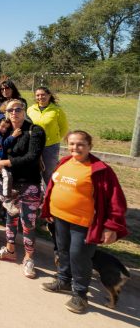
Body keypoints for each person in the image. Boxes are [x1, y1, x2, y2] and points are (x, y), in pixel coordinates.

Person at [40, 130, 128, 313]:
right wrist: (48, 208)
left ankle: (80, 295)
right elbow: (53, 186)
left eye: (80, 144)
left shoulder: (100, 170)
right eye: (72, 144)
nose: (75, 148)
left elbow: (116, 200)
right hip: (60, 217)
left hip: (84, 223)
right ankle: (63, 281)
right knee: (63, 251)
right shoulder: (64, 162)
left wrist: (111, 226)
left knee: (79, 256)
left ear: (90, 146)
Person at [0, 98, 46, 279]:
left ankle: (29, 257)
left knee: (28, 224)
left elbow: (32, 158)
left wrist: (3, 162)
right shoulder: (6, 132)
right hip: (8, 184)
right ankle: (10, 250)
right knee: (10, 218)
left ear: (25, 111)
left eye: (18, 109)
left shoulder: (35, 131)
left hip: (28, 183)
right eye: (10, 110)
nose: (14, 113)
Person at [27, 87, 69, 188]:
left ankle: (49, 195)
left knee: (49, 173)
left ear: (49, 95)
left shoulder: (57, 110)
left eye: (43, 95)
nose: (40, 97)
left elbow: (64, 128)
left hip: (50, 146)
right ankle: (35, 196)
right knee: (33, 171)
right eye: (38, 95)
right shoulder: (30, 109)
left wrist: (54, 138)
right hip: (33, 146)